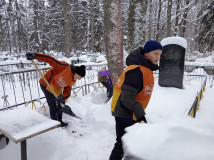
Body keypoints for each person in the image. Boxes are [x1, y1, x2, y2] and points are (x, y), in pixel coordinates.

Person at [109, 40, 163, 160]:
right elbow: (127, 98)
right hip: (124, 113)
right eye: (155, 53)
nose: (158, 57)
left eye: (160, 54)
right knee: (122, 144)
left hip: (132, 112)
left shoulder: (145, 70)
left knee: (130, 142)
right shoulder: (137, 71)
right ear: (146, 54)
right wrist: (140, 115)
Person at [26, 52, 86, 127]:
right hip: (46, 83)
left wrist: (62, 98)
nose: (79, 79)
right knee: (53, 104)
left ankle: (60, 121)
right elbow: (50, 60)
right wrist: (36, 56)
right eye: (80, 77)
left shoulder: (73, 80)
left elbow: (67, 91)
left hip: (56, 87)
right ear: (76, 73)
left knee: (61, 104)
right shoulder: (64, 67)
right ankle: (55, 124)